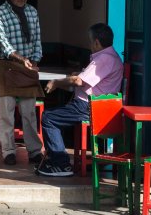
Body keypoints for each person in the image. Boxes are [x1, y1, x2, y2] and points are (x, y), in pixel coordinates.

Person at [37, 23, 123, 177]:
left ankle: (61, 164)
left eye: (90, 42)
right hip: (95, 106)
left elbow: (79, 81)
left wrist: (56, 82)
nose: (90, 45)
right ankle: (57, 158)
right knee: (55, 114)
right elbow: (89, 77)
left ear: (96, 42)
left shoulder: (103, 58)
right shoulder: (112, 56)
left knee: (49, 117)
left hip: (87, 107)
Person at [0, 0, 44, 166]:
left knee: (29, 111)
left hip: (29, 65)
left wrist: (35, 60)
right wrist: (23, 59)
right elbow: (3, 43)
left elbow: (37, 39)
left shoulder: (32, 12)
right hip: (7, 66)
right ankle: (8, 151)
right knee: (7, 111)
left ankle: (34, 150)